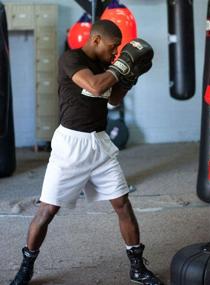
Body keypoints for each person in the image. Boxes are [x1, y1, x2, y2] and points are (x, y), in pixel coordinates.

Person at [10, 19, 163, 285]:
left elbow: (113, 98)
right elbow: (95, 86)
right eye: (112, 48)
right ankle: (26, 266)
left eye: (118, 51)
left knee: (123, 205)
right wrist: (122, 66)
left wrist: (130, 78)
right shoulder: (71, 58)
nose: (115, 54)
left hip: (99, 143)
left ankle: (137, 267)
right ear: (96, 40)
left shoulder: (107, 66)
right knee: (47, 210)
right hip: (70, 144)